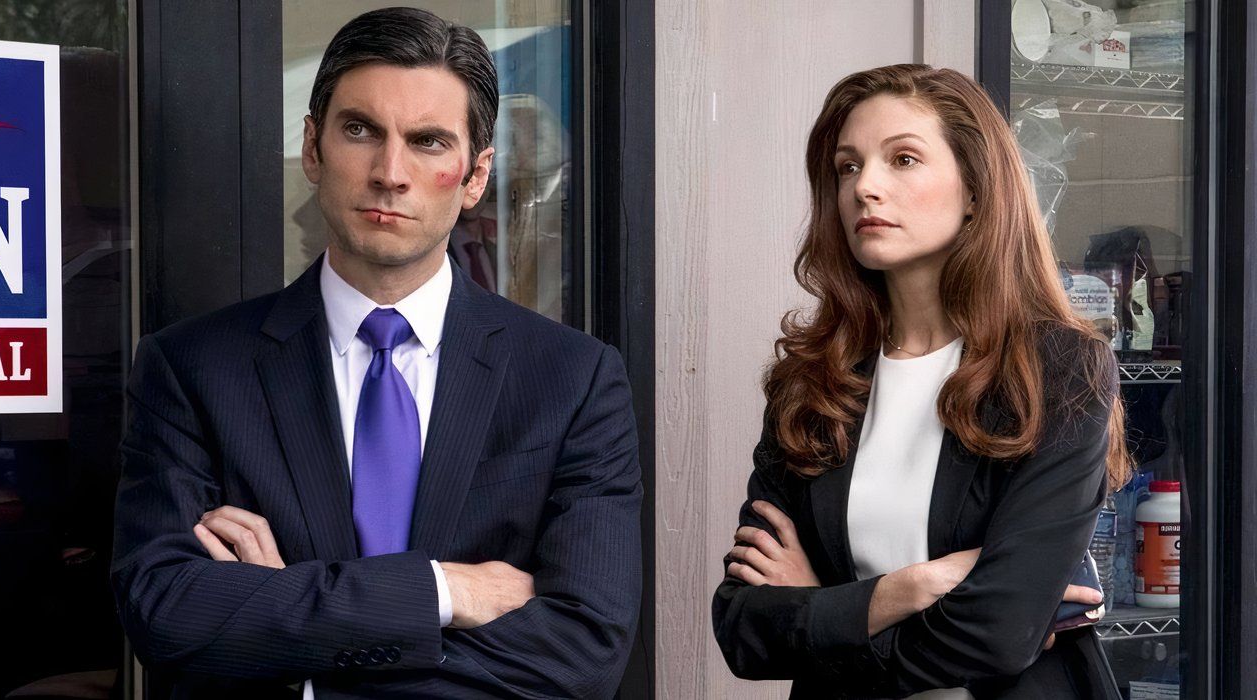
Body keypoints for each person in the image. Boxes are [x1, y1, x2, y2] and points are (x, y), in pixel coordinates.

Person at [111, 8, 642, 698]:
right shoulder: (191, 369)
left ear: (475, 175)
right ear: (312, 147)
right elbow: (167, 613)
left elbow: (582, 651)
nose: (390, 172)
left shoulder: (573, 380)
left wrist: (295, 645)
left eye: (427, 142)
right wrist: (439, 590)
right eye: (361, 131)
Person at [711, 64, 1129, 698]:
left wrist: (825, 610)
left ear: (976, 192)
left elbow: (999, 633)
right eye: (848, 166)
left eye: (903, 160)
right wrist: (902, 590)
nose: (865, 187)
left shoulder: (1059, 370)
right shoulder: (813, 382)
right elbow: (742, 628)